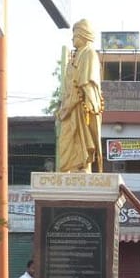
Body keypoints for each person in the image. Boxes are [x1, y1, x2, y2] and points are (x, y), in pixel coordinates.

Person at [56, 19, 103, 173]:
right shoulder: (73, 59)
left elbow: (86, 85)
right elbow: (68, 88)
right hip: (69, 107)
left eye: (75, 34)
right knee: (65, 141)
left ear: (84, 34)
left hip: (81, 108)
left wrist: (70, 106)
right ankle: (69, 168)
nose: (72, 38)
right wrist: (64, 107)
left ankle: (82, 166)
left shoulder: (89, 54)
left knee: (81, 138)